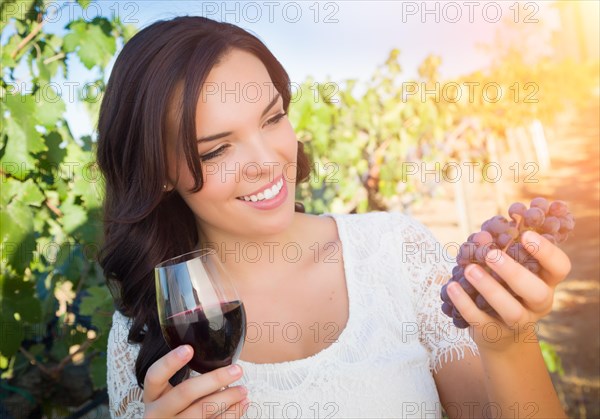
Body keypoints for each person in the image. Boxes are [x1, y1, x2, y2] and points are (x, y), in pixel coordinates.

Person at [97, 16, 571, 419]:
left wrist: (507, 343)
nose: (267, 160)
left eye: (272, 118)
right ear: (158, 171)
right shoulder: (140, 337)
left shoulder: (395, 251)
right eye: (218, 148)